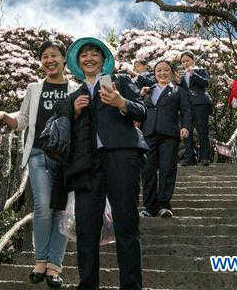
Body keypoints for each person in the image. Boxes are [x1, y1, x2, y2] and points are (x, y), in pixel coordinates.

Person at [61, 37, 147, 290]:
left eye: (94, 54)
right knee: (86, 229)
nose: (89, 58)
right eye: (83, 55)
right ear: (78, 63)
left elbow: (142, 111)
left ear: (103, 59)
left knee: (126, 224)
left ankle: (131, 286)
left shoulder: (120, 82)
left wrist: (121, 102)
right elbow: (63, 130)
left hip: (122, 157)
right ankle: (87, 285)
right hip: (87, 166)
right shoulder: (74, 95)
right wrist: (73, 112)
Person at [0, 40, 73, 286]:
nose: (50, 60)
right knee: (43, 206)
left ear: (64, 59)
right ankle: (40, 261)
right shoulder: (34, 88)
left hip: (66, 159)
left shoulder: (75, 88)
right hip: (38, 154)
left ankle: (54, 267)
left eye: (54, 55)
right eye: (45, 56)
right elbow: (23, 119)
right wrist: (6, 116)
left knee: (63, 211)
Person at [139, 60, 191, 218]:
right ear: (154, 73)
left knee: (167, 169)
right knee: (148, 170)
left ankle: (163, 205)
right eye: (158, 70)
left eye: (166, 70)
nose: (162, 73)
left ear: (171, 72)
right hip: (148, 133)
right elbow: (138, 108)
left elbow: (186, 110)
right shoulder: (147, 90)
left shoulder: (178, 90)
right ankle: (149, 206)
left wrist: (185, 126)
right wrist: (140, 97)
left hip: (169, 134)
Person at [178, 51, 211, 166]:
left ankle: (205, 157)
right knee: (187, 131)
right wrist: (178, 82)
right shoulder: (182, 75)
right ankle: (190, 157)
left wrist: (194, 74)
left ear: (193, 60)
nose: (185, 63)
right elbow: (181, 90)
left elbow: (206, 83)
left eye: (187, 60)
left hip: (200, 104)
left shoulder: (201, 71)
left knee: (202, 130)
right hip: (187, 106)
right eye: (183, 62)